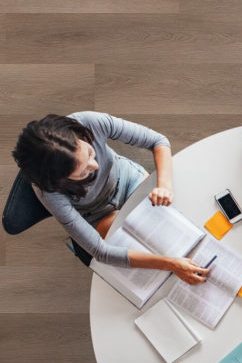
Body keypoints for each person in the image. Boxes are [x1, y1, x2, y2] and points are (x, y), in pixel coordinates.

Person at [12, 112, 209, 284]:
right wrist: (170, 264)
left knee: (178, 219)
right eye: (83, 172)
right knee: (142, 251)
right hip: (96, 214)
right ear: (60, 181)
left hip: (128, 180)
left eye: (90, 152)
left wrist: (164, 185)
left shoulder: (90, 122)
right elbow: (101, 252)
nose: (95, 166)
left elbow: (158, 141)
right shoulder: (49, 193)